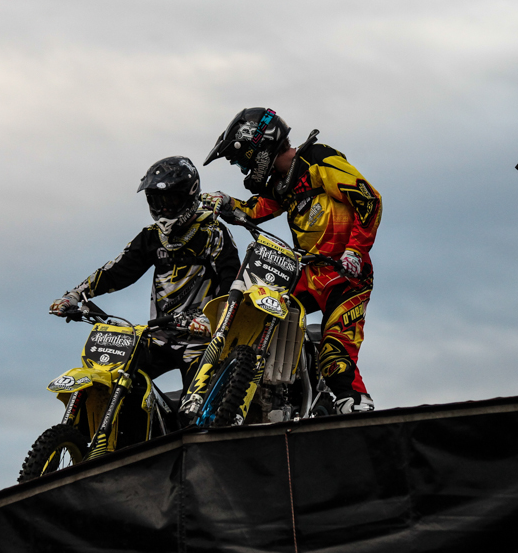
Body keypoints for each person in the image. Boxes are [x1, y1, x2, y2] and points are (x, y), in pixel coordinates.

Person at [202, 108, 382, 413]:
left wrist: (355, 250)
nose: (245, 169)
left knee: (335, 352)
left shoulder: (318, 159)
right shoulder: (282, 181)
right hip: (309, 273)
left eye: (243, 160)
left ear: (259, 148)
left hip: (346, 276)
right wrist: (226, 202)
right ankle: (268, 391)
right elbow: (256, 210)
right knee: (258, 309)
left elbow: (368, 199)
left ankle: (356, 403)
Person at [49, 156, 240, 392]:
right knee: (118, 381)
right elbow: (117, 271)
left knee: (195, 407)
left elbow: (232, 281)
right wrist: (75, 295)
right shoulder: (151, 236)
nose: (163, 208)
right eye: (157, 201)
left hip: (201, 340)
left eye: (170, 200)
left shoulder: (213, 232)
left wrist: (211, 318)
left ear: (189, 196)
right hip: (158, 337)